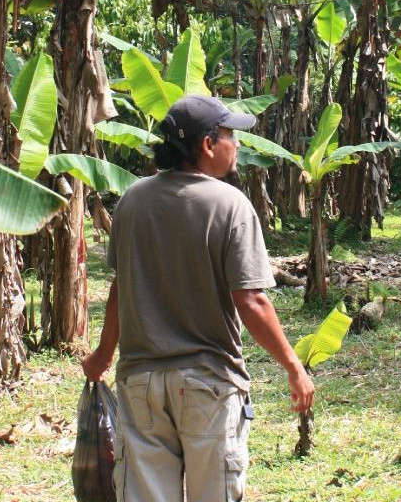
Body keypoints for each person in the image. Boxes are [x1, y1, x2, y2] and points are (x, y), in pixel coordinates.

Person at [82, 94, 315, 502]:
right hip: (209, 384)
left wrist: (103, 354)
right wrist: (294, 366)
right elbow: (251, 300)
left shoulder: (133, 201)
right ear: (207, 145)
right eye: (229, 135)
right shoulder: (230, 205)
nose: (236, 144)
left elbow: (122, 286)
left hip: (141, 385)